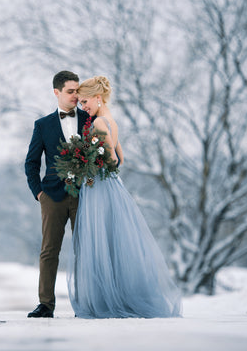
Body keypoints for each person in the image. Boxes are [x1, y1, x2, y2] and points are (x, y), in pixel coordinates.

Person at [67, 75, 182, 319]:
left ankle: (108, 300)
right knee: (113, 240)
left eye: (85, 101)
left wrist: (85, 161)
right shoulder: (111, 121)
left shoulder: (98, 123)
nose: (83, 107)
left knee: (101, 241)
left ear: (98, 98)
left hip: (99, 185)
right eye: (80, 104)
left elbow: (110, 159)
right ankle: (115, 294)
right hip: (110, 183)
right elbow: (121, 159)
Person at [25, 70, 90, 318]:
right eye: (70, 91)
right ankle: (46, 305)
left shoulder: (89, 120)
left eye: (77, 91)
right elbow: (31, 163)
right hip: (52, 195)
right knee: (49, 250)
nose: (75, 96)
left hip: (85, 195)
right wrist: (39, 193)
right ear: (57, 92)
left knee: (86, 250)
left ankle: (86, 303)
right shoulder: (42, 125)